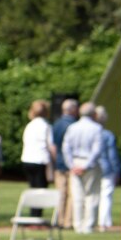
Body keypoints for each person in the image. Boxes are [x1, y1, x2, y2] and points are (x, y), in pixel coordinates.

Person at [60, 101, 106, 233]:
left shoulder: (73, 127)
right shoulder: (96, 128)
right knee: (91, 195)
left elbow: (66, 148)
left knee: (78, 196)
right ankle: (88, 225)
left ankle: (78, 224)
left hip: (77, 162)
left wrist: (72, 165)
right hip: (88, 163)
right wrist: (85, 165)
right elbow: (97, 149)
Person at [49, 97, 79, 227]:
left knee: (61, 193)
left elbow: (53, 146)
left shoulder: (56, 124)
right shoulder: (74, 125)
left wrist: (56, 161)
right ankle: (68, 221)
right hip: (72, 163)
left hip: (59, 163)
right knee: (72, 194)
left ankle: (60, 219)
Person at [95, 110, 121, 231]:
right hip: (106, 168)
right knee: (106, 195)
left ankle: (95, 220)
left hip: (92, 168)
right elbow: (112, 155)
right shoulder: (107, 135)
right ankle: (104, 222)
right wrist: (117, 170)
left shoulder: (92, 132)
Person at [19, 100, 53, 190]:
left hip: (27, 159)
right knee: (41, 189)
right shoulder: (46, 126)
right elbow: (51, 145)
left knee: (33, 187)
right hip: (40, 160)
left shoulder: (29, 125)